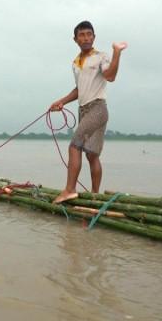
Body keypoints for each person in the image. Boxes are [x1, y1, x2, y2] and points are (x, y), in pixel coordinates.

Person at [50, 21, 127, 203]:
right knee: (91, 154)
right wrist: (61, 101)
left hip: (98, 108)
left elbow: (110, 76)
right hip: (83, 110)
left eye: (89, 34)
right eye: (82, 35)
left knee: (74, 146)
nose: (86, 38)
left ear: (94, 37)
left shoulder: (101, 56)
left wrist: (116, 53)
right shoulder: (76, 63)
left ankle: (70, 189)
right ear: (75, 39)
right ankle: (94, 197)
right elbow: (79, 90)